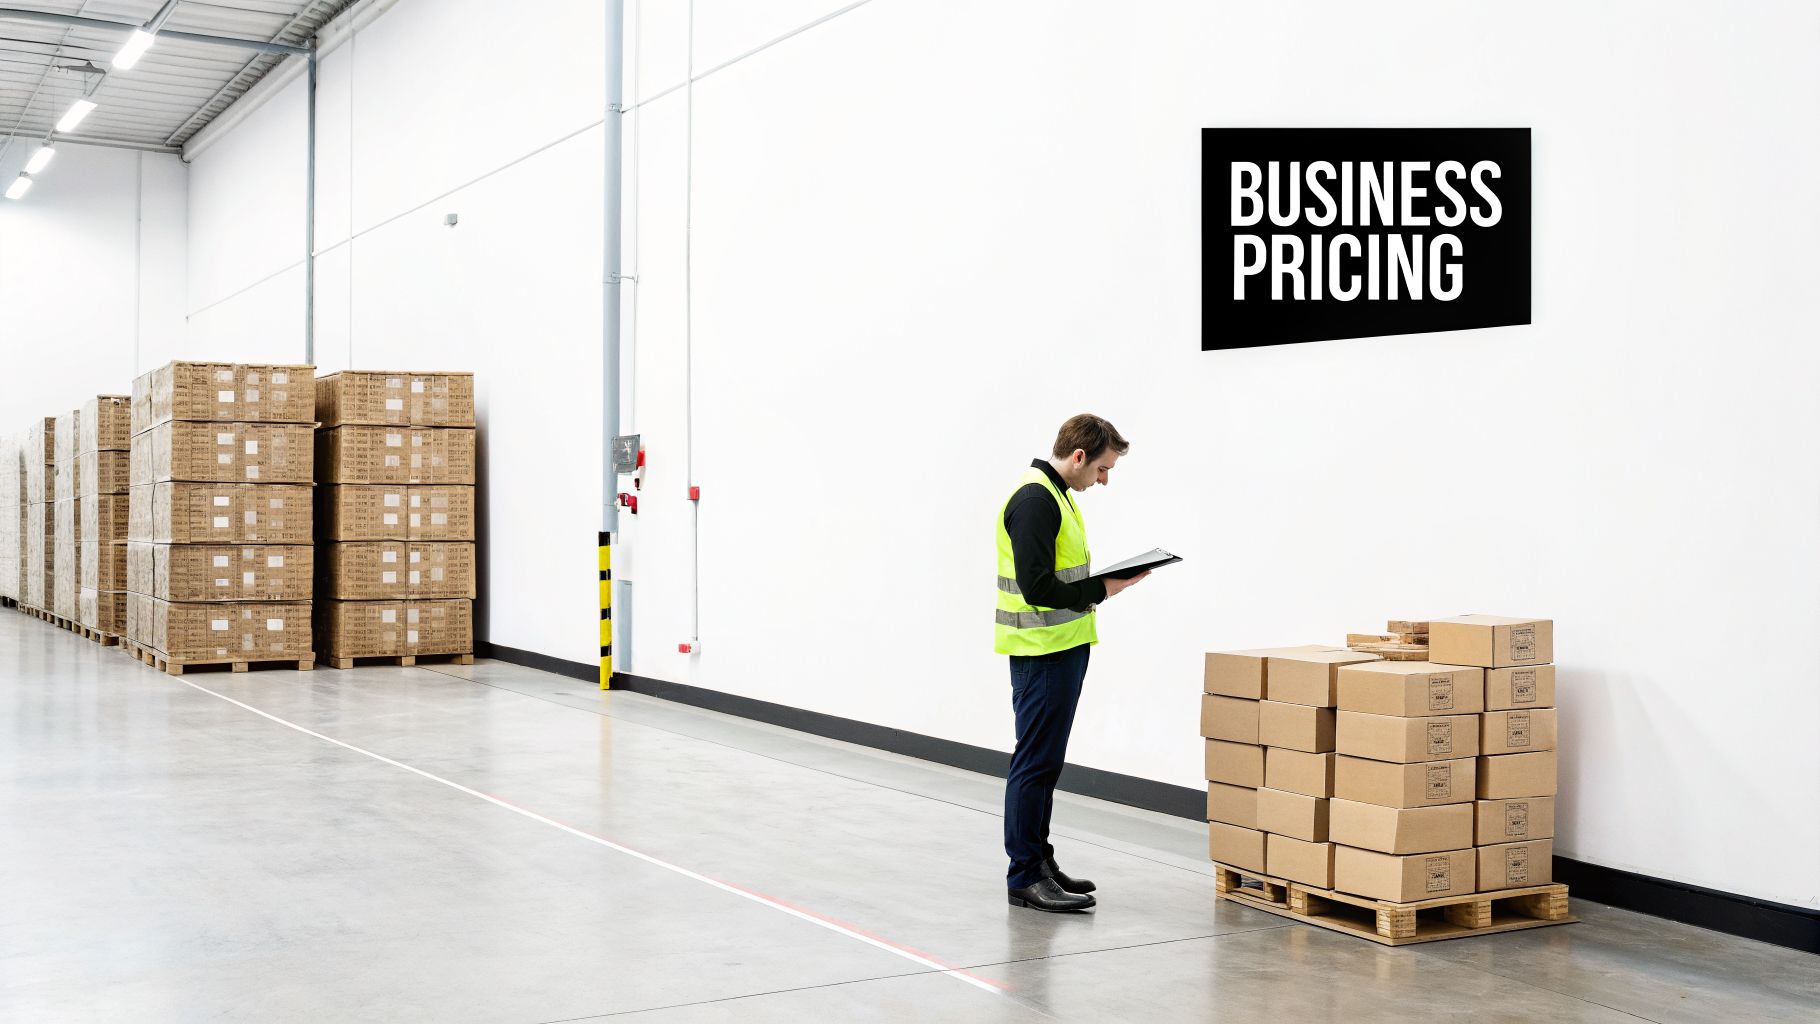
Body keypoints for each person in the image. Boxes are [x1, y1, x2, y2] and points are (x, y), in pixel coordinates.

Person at [995, 413, 1149, 912]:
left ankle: (1040, 862)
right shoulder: (1037, 499)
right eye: (1102, 469)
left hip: (1063, 647)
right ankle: (1024, 875)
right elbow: (1038, 588)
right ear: (1078, 457)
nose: (1102, 481)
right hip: (1043, 653)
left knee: (1045, 762)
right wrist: (1105, 588)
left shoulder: (1056, 495)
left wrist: (1104, 586)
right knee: (1034, 763)